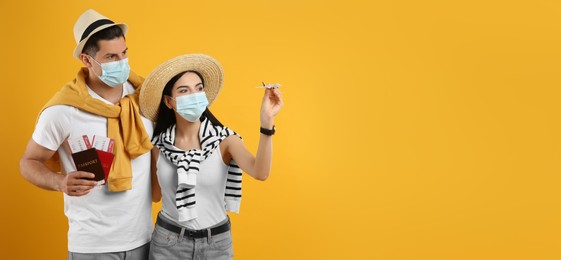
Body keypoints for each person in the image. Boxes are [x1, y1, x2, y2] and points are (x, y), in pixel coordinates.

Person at [19, 9, 153, 259]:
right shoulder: (63, 110)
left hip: (146, 239)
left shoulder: (144, 96)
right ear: (87, 60)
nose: (122, 62)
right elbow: (28, 162)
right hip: (92, 247)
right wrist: (59, 182)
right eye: (111, 56)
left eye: (124, 53)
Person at [139, 54, 283, 259]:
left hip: (216, 244)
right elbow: (155, 195)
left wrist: (267, 121)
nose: (194, 95)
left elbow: (260, 172)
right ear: (169, 102)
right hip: (168, 243)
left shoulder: (225, 140)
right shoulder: (159, 145)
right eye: (183, 91)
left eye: (198, 88)